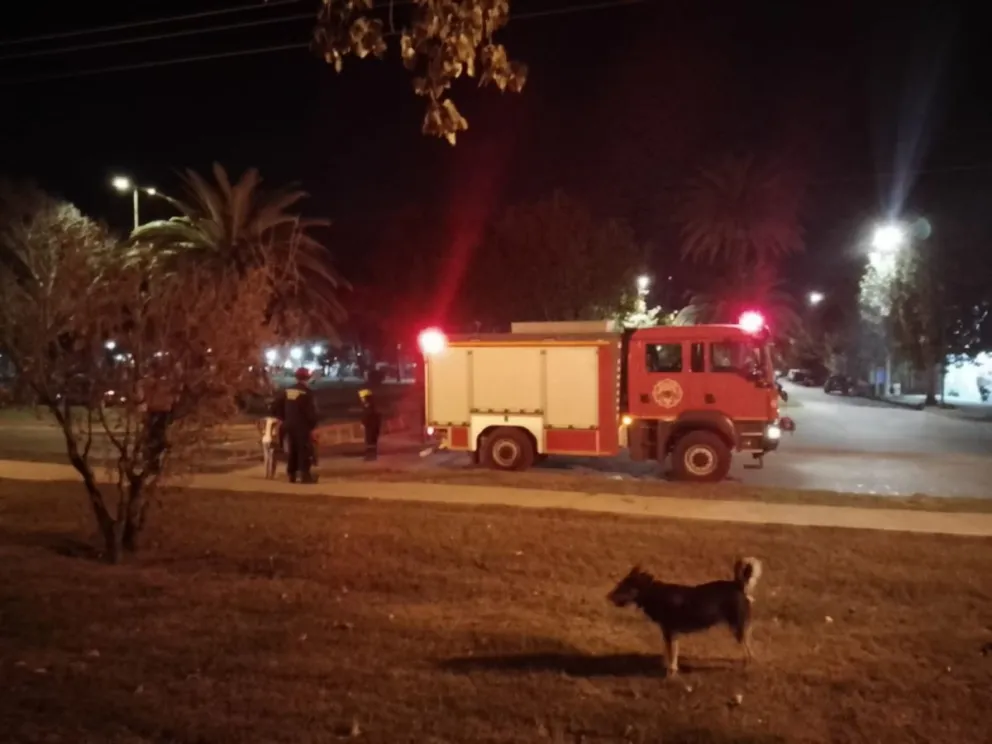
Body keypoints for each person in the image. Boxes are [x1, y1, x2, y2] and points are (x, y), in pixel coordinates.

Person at [271, 367, 318, 483]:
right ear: (307, 378)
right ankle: (304, 475)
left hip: (288, 425)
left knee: (292, 449)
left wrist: (283, 418)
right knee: (304, 449)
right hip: (302, 426)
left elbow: (275, 407)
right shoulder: (307, 392)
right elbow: (310, 412)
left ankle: (291, 474)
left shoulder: (287, 391)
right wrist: (312, 425)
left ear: (296, 377)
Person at [359, 388, 381, 461]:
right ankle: (371, 456)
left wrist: (363, 423)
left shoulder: (369, 406)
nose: (361, 399)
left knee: (370, 441)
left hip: (371, 427)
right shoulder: (370, 405)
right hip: (372, 426)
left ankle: (370, 456)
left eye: (362, 397)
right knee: (371, 441)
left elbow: (367, 416)